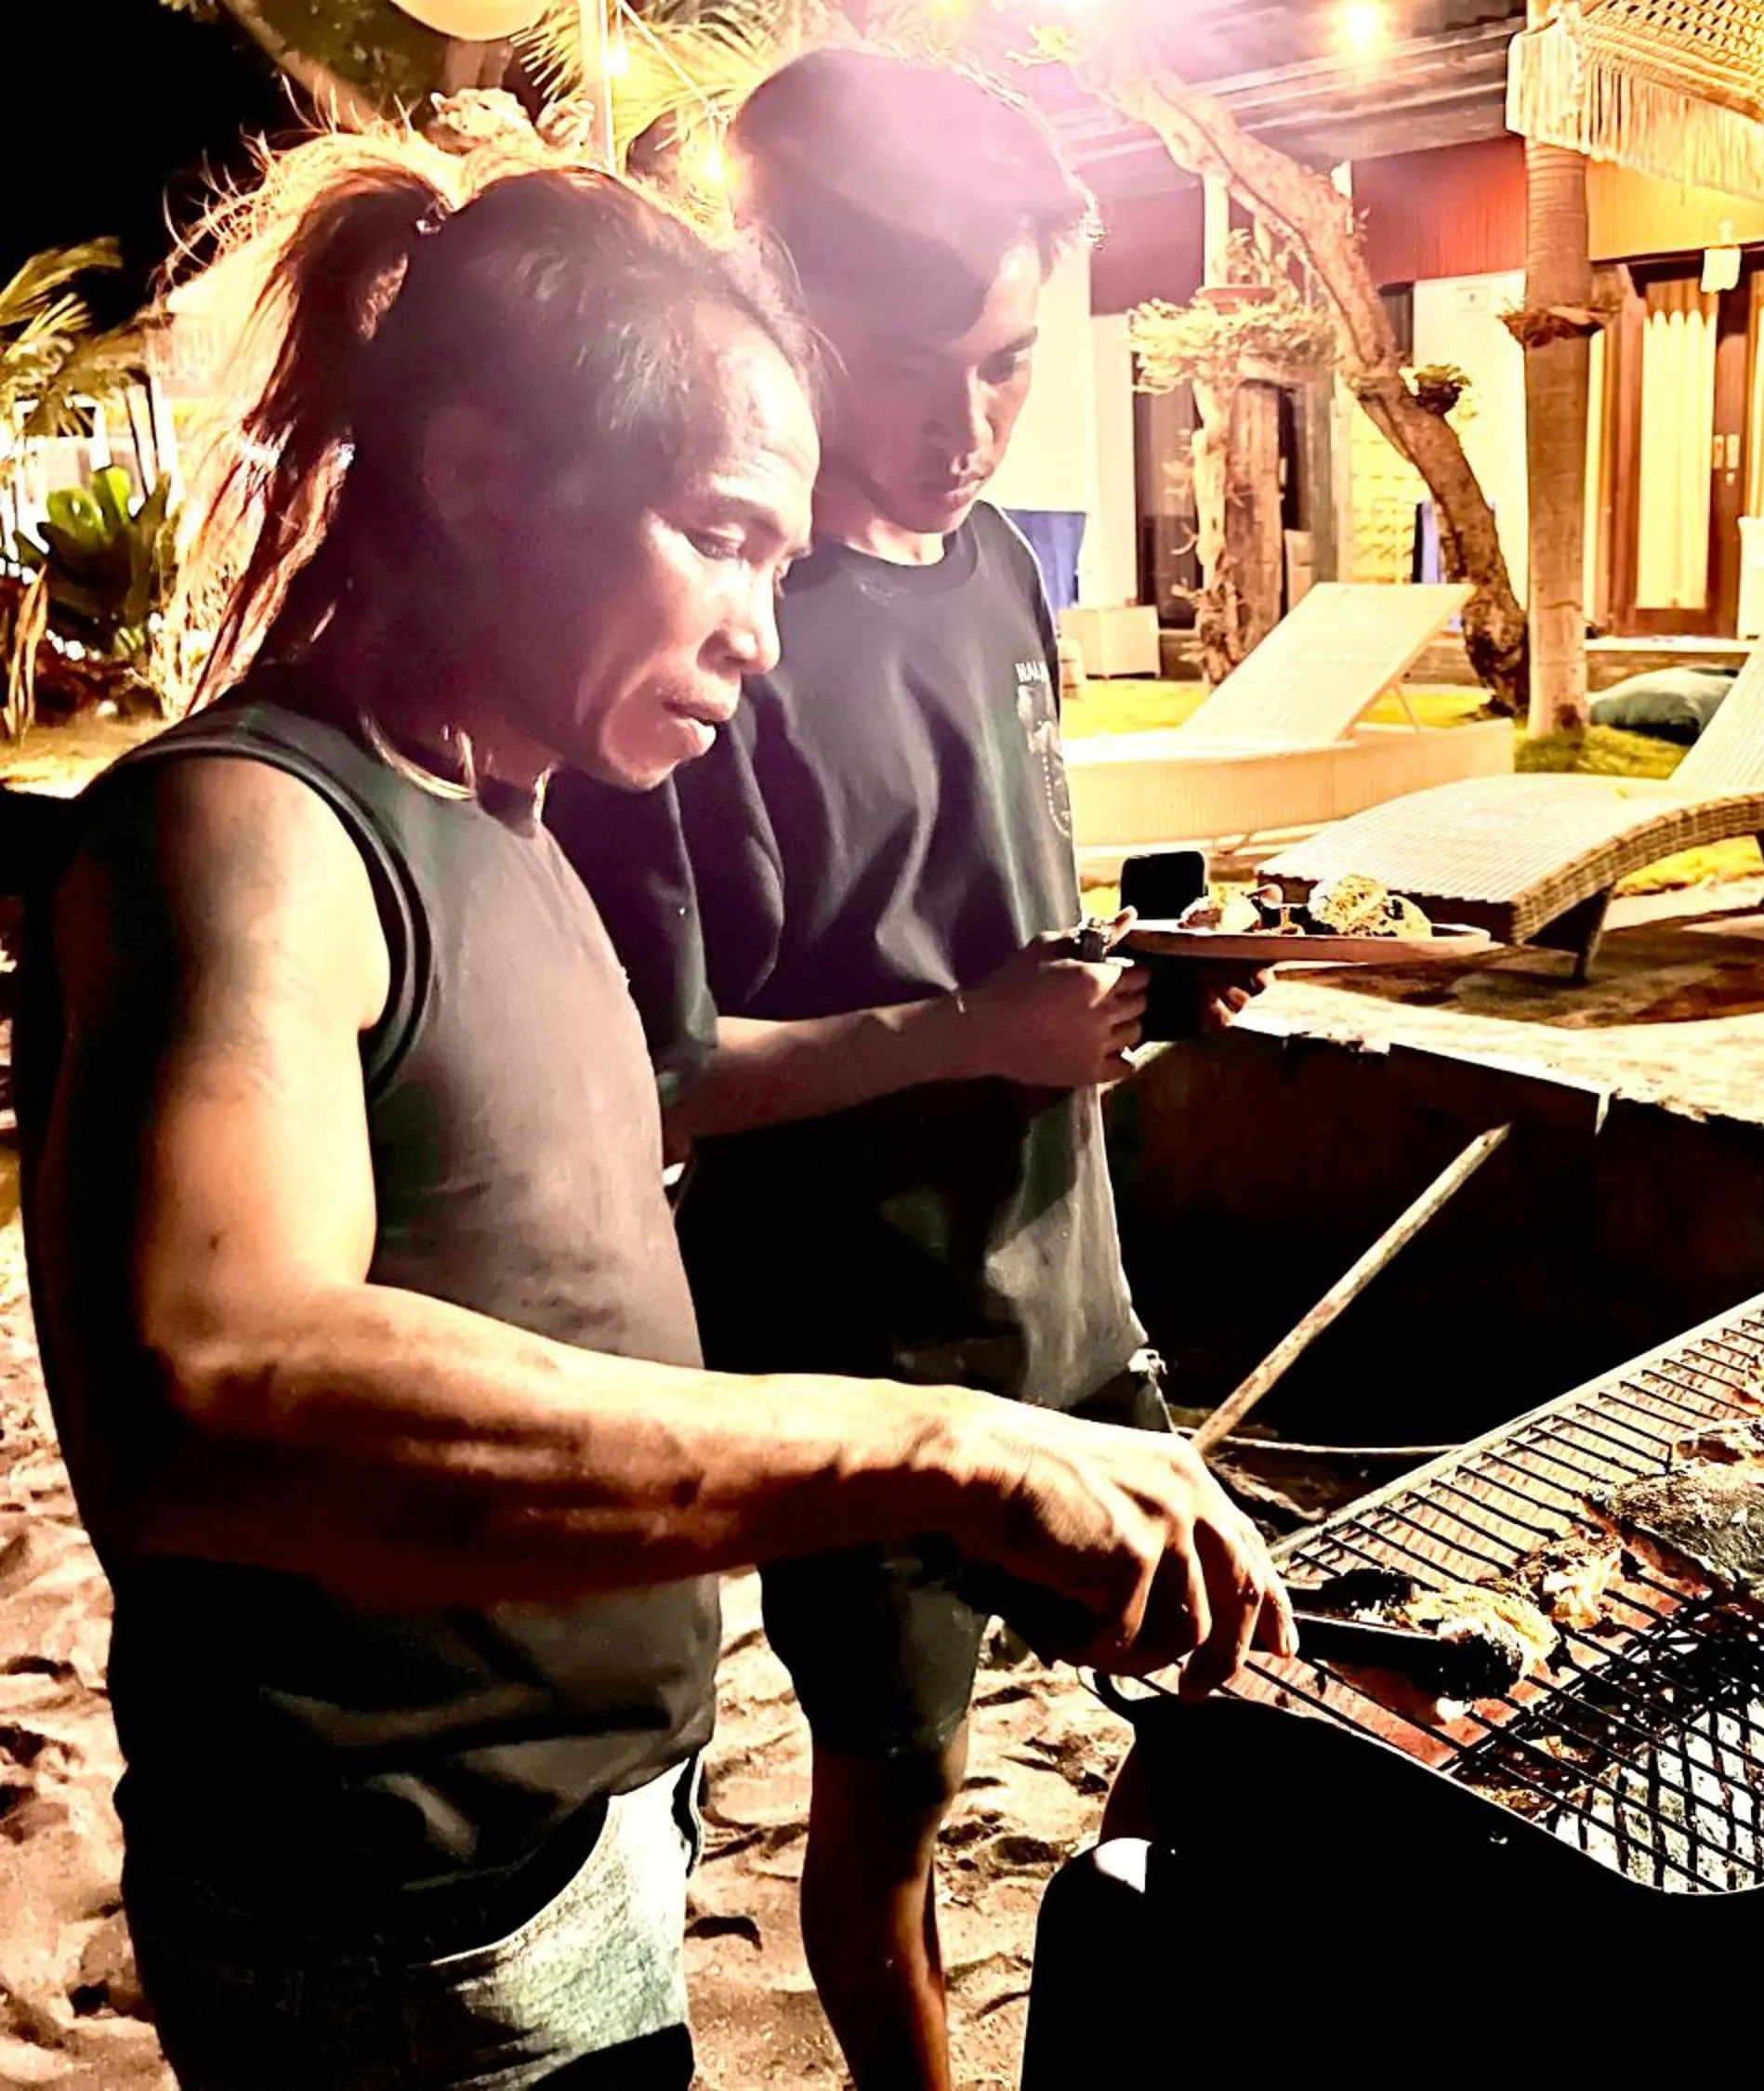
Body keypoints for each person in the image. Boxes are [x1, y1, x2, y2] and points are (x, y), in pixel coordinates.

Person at [21, 132, 1290, 2091]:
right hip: (401, 1928)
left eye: (779, 561)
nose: (760, 632)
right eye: (717, 536)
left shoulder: (522, 822)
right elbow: (213, 1381)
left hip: (600, 1839)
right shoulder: (250, 832)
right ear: (476, 480)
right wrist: (929, 1443)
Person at [545, 50, 1262, 2091]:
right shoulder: (705, 634)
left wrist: (1142, 986)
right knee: (895, 1810)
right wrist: (971, 1036)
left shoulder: (1000, 573)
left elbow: (1003, 887)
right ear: (786, 317)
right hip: (844, 1351)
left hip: (1066, 1284)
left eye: (1011, 366)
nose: (963, 431)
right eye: (914, 368)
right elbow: (663, 1079)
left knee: (1223, 1682)